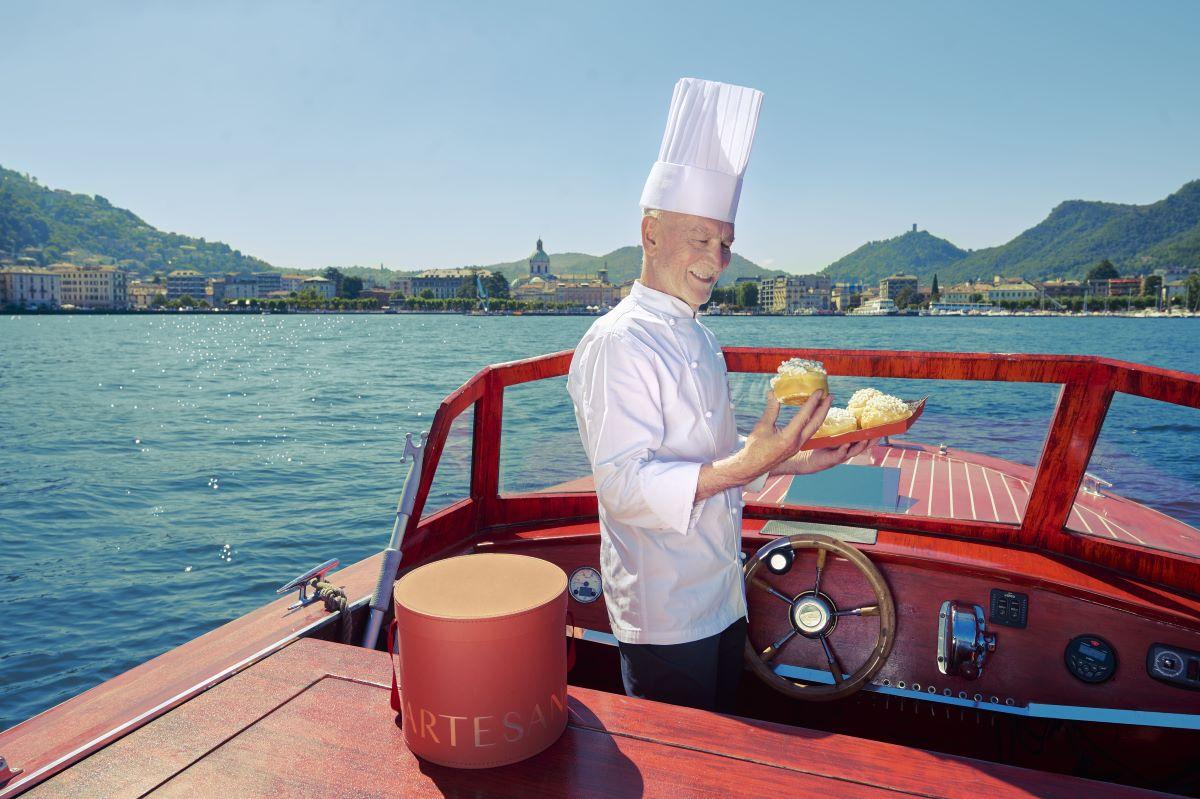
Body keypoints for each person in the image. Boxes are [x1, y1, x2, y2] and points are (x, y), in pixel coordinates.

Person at [566, 78, 875, 713]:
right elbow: (625, 489)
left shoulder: (701, 338)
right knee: (683, 764)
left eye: (726, 242)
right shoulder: (616, 343)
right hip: (665, 608)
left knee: (725, 734)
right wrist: (752, 461)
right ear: (650, 234)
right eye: (702, 239)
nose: (720, 258)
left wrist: (791, 457)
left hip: (723, 591)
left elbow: (713, 456)